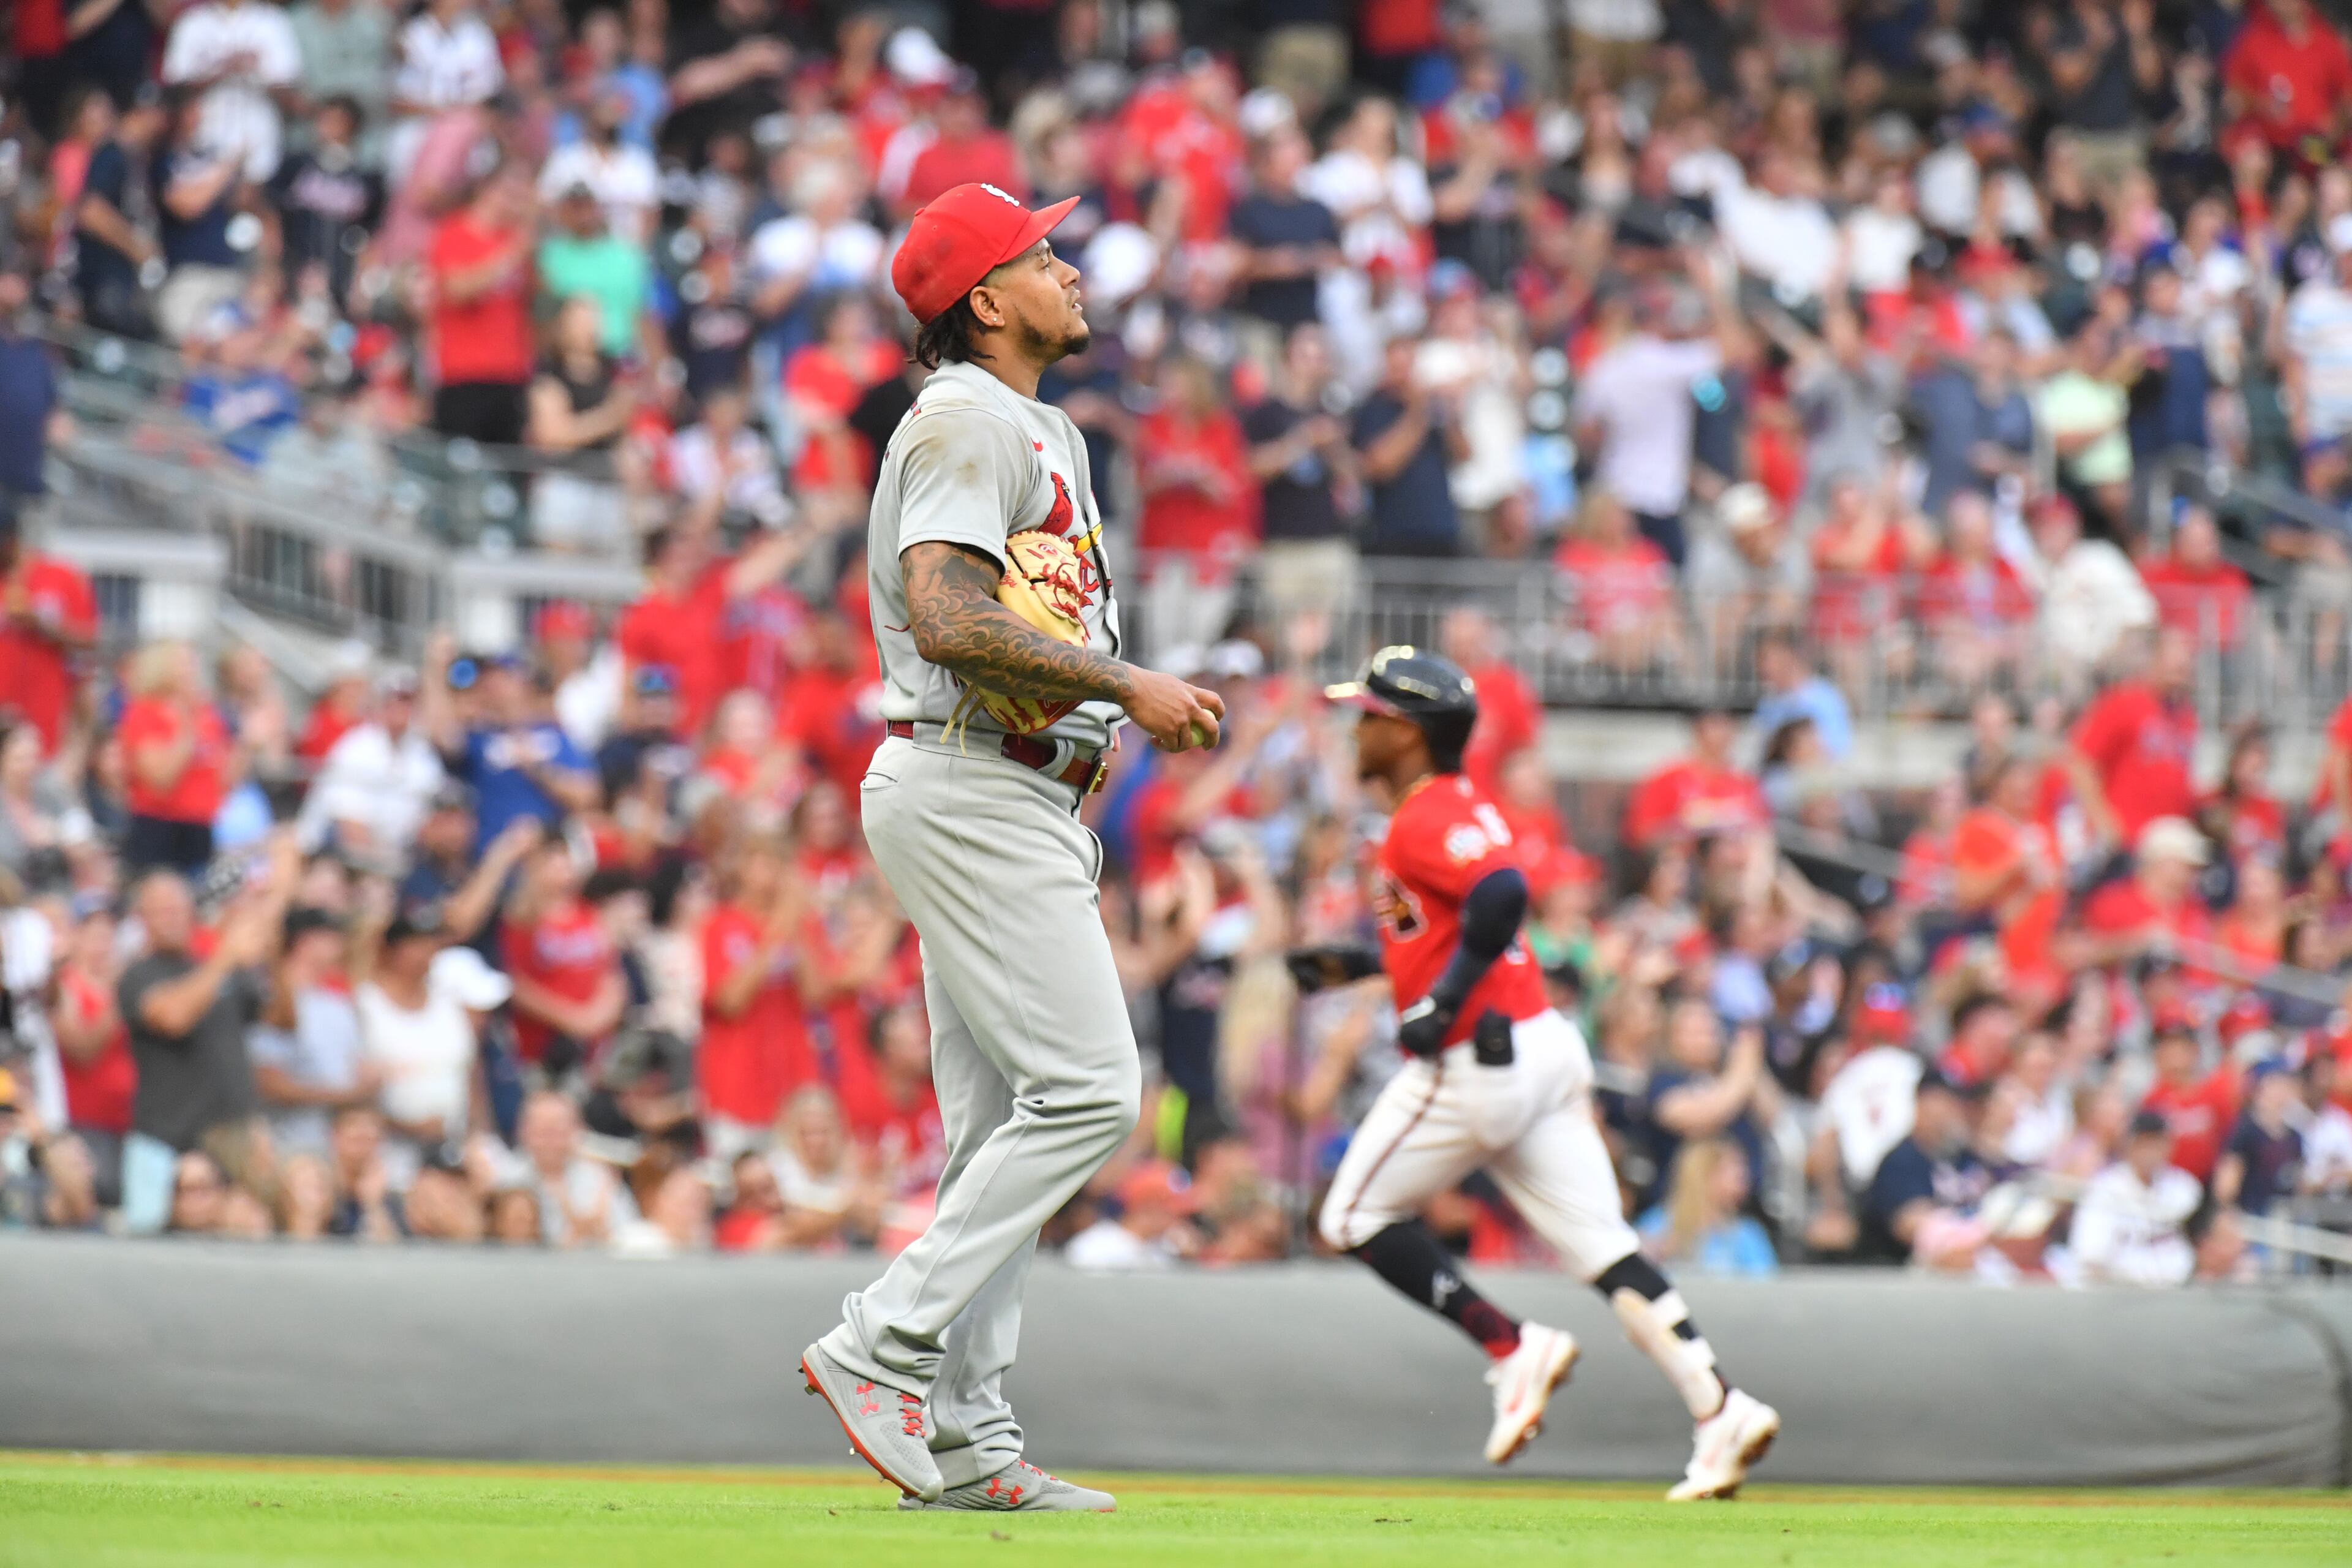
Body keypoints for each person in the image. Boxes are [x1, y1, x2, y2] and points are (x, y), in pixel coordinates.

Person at [801, 181, 1224, 1515]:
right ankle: (883, 1339)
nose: (1071, 268)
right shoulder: (967, 417)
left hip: (1008, 791)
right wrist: (1125, 680)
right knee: (1095, 1091)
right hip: (974, 781)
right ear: (988, 299)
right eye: (1043, 253)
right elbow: (942, 611)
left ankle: (974, 1437)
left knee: (996, 1122)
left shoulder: (1030, 421)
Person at [1298, 646, 1779, 1497]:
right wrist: (1359, 967)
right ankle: (1720, 1407)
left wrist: (1440, 1003)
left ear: (1407, 734)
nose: (1356, 729)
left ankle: (1511, 1346)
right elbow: (1460, 917)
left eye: (1371, 717)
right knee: (1605, 1248)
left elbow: (1502, 895)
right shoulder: (1453, 804)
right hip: (1543, 1047)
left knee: (1348, 1214)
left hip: (1479, 1055)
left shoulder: (1423, 815)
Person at [116, 832, 299, 1234]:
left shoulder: (214, 966)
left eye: (180, 908)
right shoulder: (138, 975)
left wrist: (272, 951)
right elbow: (174, 1016)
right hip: (169, 1143)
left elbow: (283, 1020)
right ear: (142, 919)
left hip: (233, 1139)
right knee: (155, 1246)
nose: (174, 917)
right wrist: (228, 955)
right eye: (161, 910)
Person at [2068, 1110, 2199, 1286]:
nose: (2150, 1153)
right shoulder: (2104, 1190)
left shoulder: (2184, 1188)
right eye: (2143, 1144)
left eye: (2156, 1144)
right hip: (2123, 1297)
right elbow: (2090, 1257)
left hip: (2180, 1291)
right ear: (2129, 1146)